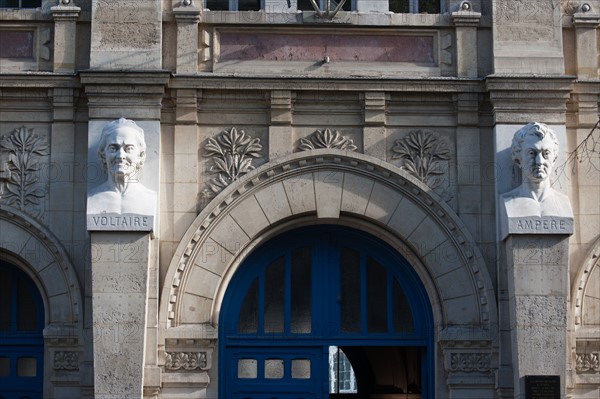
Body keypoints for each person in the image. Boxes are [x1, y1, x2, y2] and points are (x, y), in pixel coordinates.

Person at [501, 122, 572, 218]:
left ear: (554, 159)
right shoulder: (508, 201)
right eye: (531, 153)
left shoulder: (563, 203)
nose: (539, 161)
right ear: (518, 160)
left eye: (546, 153)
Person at [87, 118, 156, 215]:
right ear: (103, 156)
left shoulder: (149, 198)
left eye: (129, 149)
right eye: (113, 148)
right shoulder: (92, 197)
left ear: (140, 156)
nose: (120, 156)